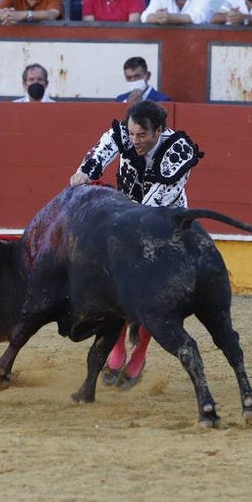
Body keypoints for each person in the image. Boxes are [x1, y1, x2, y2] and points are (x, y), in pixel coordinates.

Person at [68, 99, 203, 387]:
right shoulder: (123, 135)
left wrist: (125, 226)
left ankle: (139, 351)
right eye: (131, 134)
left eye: (142, 135)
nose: (134, 140)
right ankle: (116, 347)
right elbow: (99, 155)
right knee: (109, 286)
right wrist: (84, 173)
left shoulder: (178, 150)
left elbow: (159, 199)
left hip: (165, 225)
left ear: (159, 131)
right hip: (125, 218)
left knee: (155, 294)